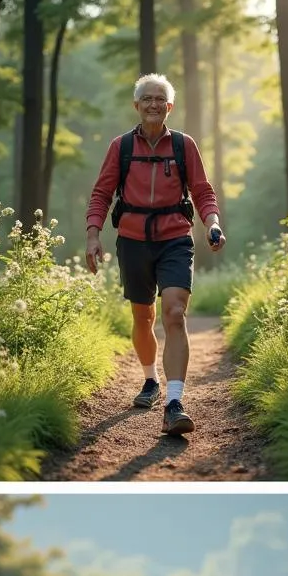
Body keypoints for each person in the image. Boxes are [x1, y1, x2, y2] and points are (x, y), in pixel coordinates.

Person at [85, 74, 226, 437]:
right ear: (137, 105)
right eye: (146, 98)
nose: (153, 104)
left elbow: (202, 191)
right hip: (132, 241)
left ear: (169, 106)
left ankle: (175, 403)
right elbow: (101, 193)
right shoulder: (121, 147)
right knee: (142, 317)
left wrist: (212, 223)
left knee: (175, 312)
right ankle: (150, 380)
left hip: (176, 238)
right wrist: (93, 236)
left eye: (159, 99)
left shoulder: (183, 145)